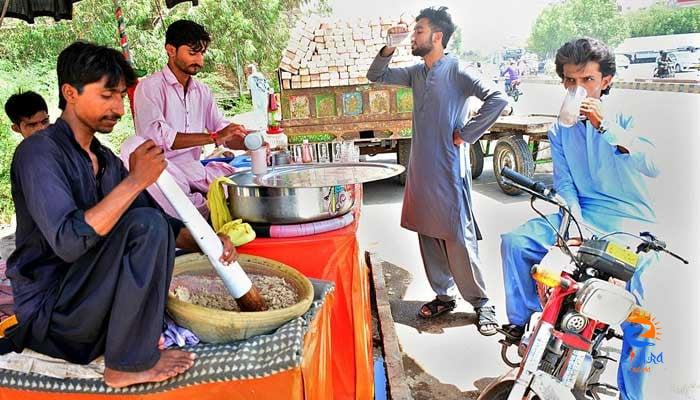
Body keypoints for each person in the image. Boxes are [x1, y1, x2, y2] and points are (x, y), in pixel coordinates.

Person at [2, 41, 237, 388]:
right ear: (71, 92)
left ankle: (129, 339)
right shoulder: (37, 154)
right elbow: (69, 242)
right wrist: (136, 180)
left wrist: (209, 242)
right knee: (145, 225)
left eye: (122, 97)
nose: (120, 109)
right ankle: (126, 363)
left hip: (91, 300)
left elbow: (162, 225)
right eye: (107, 95)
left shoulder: (104, 158)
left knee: (150, 222)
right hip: (53, 311)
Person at [498, 37, 660, 399]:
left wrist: (607, 128)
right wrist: (571, 226)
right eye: (570, 81)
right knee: (515, 242)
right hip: (578, 213)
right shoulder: (559, 129)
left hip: (628, 219)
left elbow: (654, 166)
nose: (578, 89)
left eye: (587, 80)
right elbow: (566, 184)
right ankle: (525, 327)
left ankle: (632, 394)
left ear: (605, 81)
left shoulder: (628, 118)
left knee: (642, 315)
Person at [367, 6, 508, 336]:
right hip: (420, 171)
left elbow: (497, 99)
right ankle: (444, 296)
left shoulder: (457, 69)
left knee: (458, 237)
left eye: (418, 31)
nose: (414, 37)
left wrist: (468, 133)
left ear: (437, 36)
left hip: (448, 169)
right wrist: (390, 45)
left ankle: (481, 302)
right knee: (427, 233)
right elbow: (377, 75)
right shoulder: (417, 72)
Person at [128, 20, 247, 218]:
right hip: (164, 172)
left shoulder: (202, 91)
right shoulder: (149, 88)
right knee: (192, 201)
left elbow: (221, 129)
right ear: (171, 50)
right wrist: (215, 136)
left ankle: (206, 209)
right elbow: (160, 139)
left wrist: (245, 140)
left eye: (202, 54)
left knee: (236, 180)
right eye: (192, 53)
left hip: (193, 170)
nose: (199, 61)